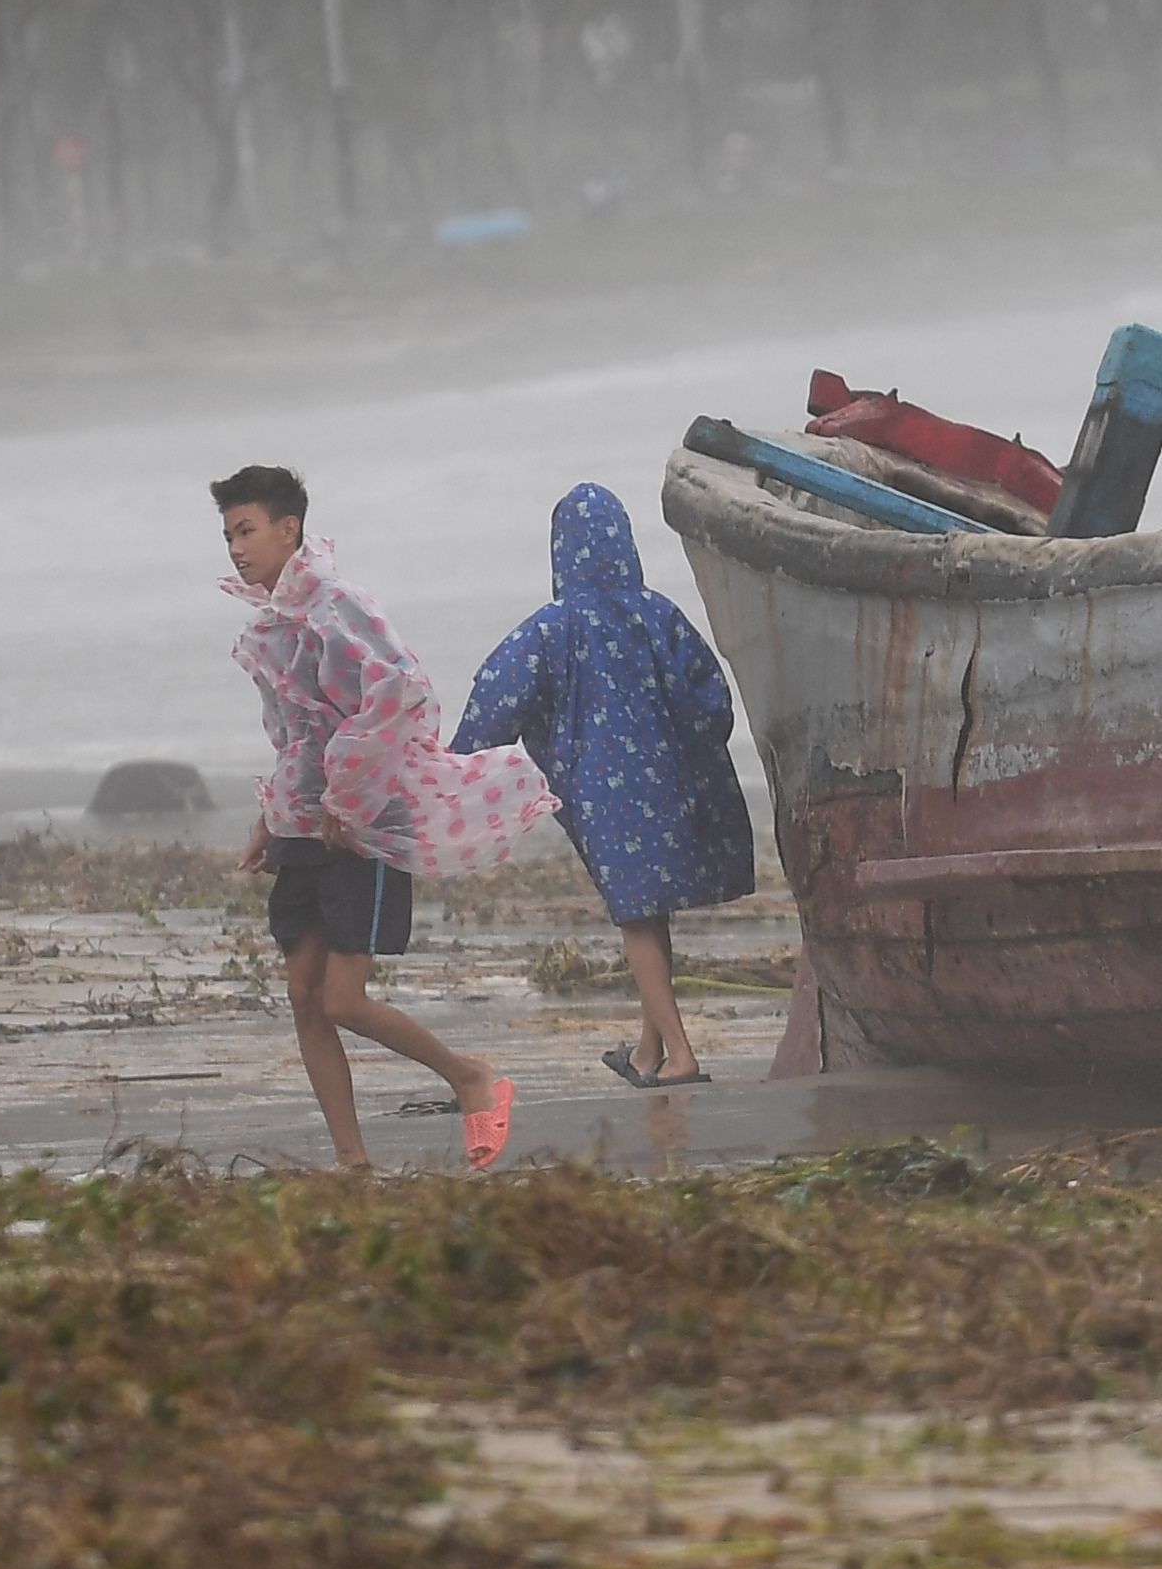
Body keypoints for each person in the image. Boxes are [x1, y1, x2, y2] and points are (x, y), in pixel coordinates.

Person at [213, 463, 544, 1171]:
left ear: (288, 528)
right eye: (228, 535)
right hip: (309, 826)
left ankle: (471, 1078)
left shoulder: (338, 604)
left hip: (361, 824)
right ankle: (353, 1161)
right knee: (303, 995)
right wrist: (273, 818)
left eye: (246, 531)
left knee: (343, 999)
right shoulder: (277, 624)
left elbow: (398, 692)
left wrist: (349, 796)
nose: (236, 548)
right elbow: (297, 733)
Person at [453, 482, 758, 1088]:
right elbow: (712, 699)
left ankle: (681, 1053)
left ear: (561, 552)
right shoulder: (658, 613)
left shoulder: (551, 630)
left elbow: (497, 698)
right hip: (672, 785)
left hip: (604, 798)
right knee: (650, 913)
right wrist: (691, 753)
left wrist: (454, 766)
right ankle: (647, 1053)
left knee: (636, 918)